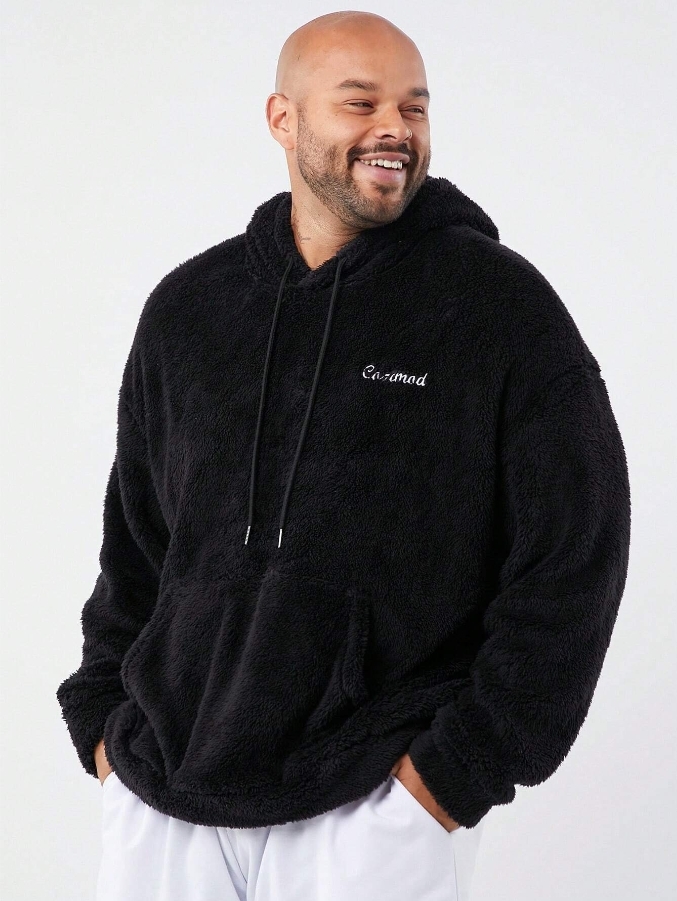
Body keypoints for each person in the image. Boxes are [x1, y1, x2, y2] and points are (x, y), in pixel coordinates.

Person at [56, 10, 631, 901]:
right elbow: (137, 546)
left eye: (413, 107)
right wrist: (101, 720)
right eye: (360, 103)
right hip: (165, 793)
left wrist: (451, 776)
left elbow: (574, 557)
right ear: (282, 119)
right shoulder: (190, 309)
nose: (393, 127)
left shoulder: (497, 307)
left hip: (370, 803)